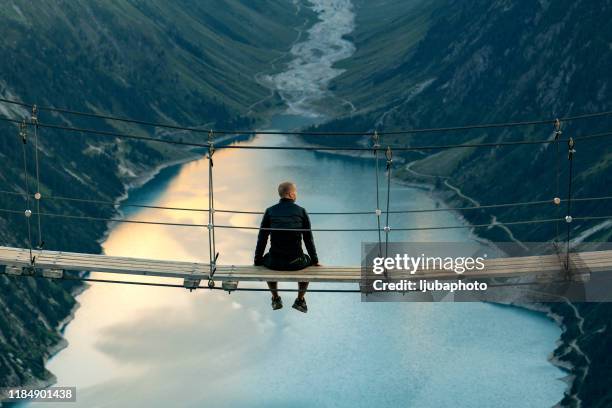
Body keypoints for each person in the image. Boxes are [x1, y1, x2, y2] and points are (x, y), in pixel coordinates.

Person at [254, 181, 320, 312]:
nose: (296, 195)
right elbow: (308, 239)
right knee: (307, 263)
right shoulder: (301, 211)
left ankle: (275, 298)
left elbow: (262, 238)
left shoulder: (270, 211)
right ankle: (300, 300)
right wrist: (315, 260)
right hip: (296, 263)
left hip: (274, 262)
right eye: (295, 192)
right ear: (290, 194)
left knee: (267, 258)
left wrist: (257, 260)